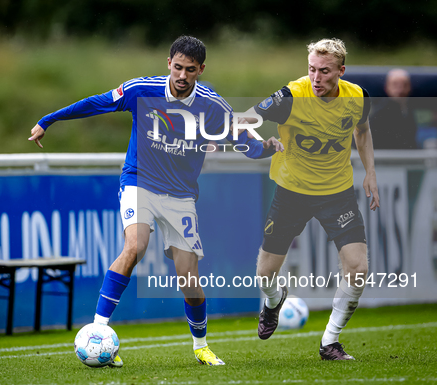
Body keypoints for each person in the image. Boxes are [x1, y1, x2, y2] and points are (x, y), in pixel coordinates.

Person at [29, 35, 283, 367]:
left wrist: (266, 149)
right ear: (168, 64)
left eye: (189, 70)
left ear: (200, 70)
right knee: (134, 246)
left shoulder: (213, 105)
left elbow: (241, 137)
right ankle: (99, 331)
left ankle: (201, 345)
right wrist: (48, 119)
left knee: (188, 279)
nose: (181, 75)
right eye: (177, 67)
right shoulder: (141, 90)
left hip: (181, 195)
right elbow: (97, 102)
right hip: (140, 182)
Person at [248, 38, 380, 360]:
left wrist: (370, 172)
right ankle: (274, 300)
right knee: (265, 274)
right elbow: (244, 120)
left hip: (337, 193)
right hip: (292, 190)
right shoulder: (291, 95)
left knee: (358, 268)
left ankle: (329, 342)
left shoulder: (358, 97)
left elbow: (361, 131)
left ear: (341, 71)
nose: (316, 78)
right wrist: (258, 143)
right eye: (311, 70)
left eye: (324, 71)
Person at [369, 68, 417, 149]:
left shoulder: (412, 107)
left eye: (404, 85)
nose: (400, 90)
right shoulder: (378, 112)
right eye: (395, 85)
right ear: (387, 87)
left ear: (410, 87)